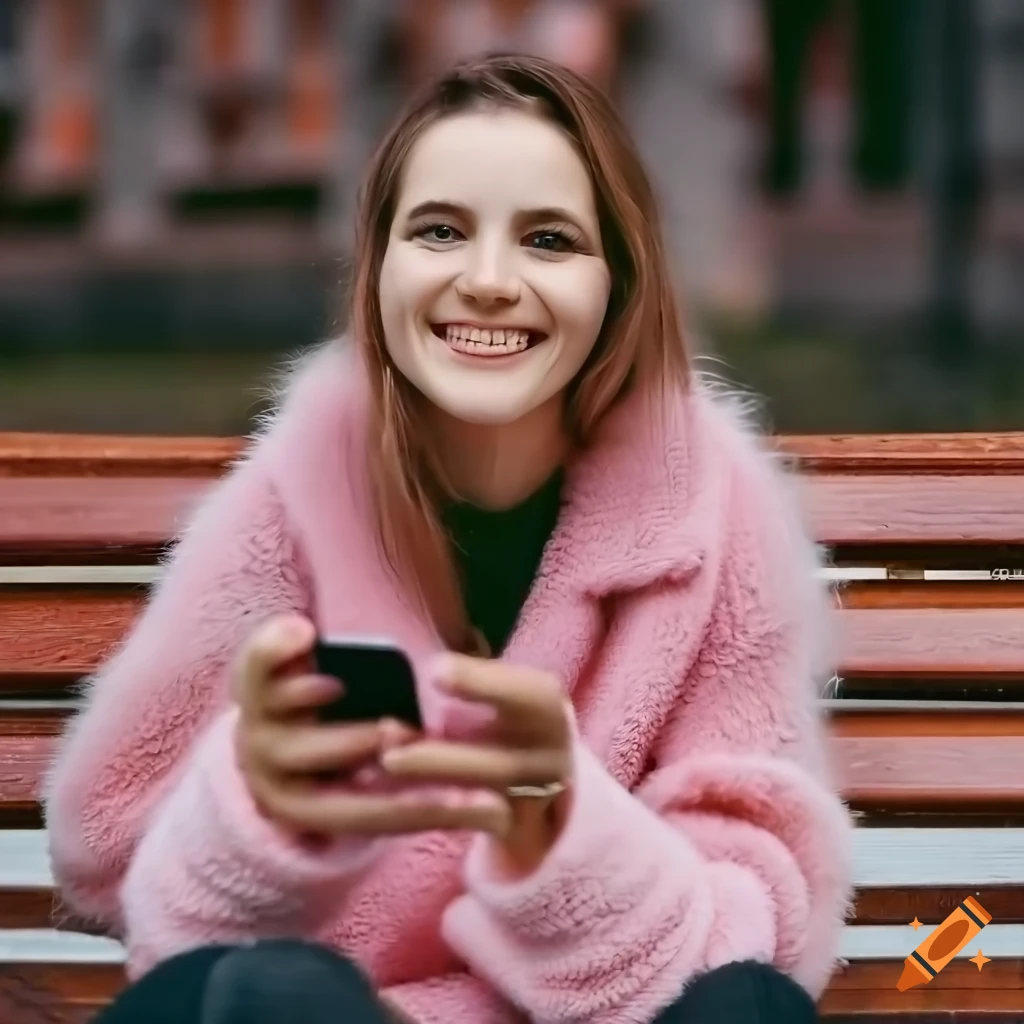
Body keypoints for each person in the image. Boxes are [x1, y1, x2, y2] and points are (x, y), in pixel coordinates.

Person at [45, 53, 854, 1024]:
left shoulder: (712, 508)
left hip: (583, 1011)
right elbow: (131, 869)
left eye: (548, 240)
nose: (486, 281)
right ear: (379, 263)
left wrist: (559, 837)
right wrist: (258, 807)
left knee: (747, 1008)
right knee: (276, 992)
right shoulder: (291, 497)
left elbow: (753, 900)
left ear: (618, 285)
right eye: (438, 231)